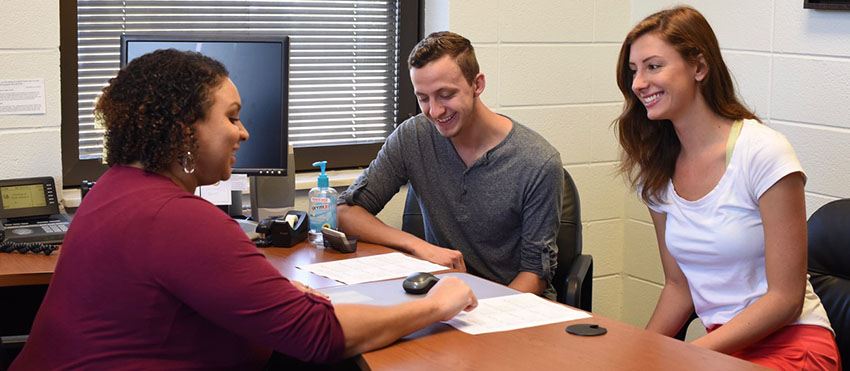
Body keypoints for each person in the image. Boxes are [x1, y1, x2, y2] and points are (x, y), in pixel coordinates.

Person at [10, 49, 477, 370]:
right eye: (231, 117)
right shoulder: (177, 220)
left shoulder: (115, 188)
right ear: (184, 129)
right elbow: (318, 336)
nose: (244, 133)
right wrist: (435, 305)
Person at [615, 6, 840, 370]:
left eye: (654, 66)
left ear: (699, 68)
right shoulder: (655, 170)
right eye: (634, 70)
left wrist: (688, 353)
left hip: (795, 344)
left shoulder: (763, 151)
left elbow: (786, 299)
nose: (639, 83)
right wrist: (642, 353)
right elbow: (678, 287)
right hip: (722, 350)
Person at [337, 31, 564, 299]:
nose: (435, 111)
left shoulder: (538, 162)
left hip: (513, 305)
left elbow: (535, 276)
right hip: (444, 300)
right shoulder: (414, 136)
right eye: (423, 98)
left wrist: (483, 311)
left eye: (445, 95)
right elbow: (346, 213)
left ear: (477, 85)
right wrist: (418, 246)